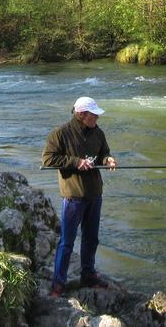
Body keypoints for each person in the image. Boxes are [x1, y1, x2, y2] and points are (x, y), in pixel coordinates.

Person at [41, 96, 117, 297]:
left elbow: (103, 153)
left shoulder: (97, 133)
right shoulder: (60, 134)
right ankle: (58, 284)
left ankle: (88, 276)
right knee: (66, 241)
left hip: (94, 194)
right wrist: (76, 162)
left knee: (91, 239)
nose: (97, 119)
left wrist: (108, 159)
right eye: (94, 115)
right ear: (81, 115)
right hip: (74, 196)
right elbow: (48, 159)